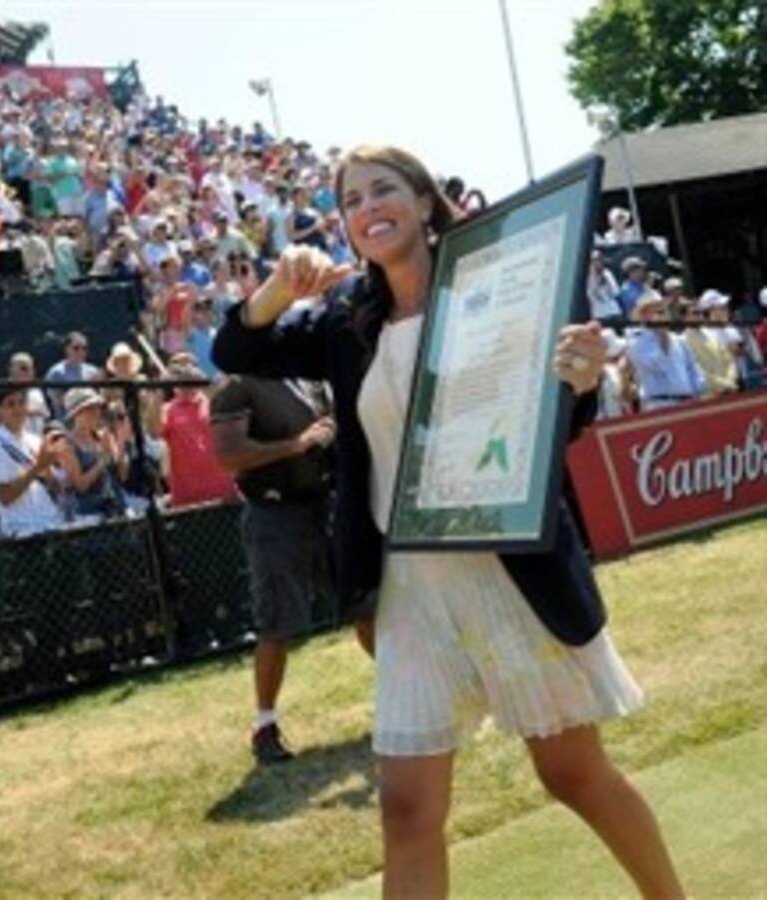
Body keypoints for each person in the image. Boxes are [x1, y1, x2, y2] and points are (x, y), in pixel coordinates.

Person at [213, 144, 683, 899]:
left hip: (508, 573)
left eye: (384, 189)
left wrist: (584, 378)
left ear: (426, 201)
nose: (369, 207)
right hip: (407, 595)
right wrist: (278, 285)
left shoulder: (503, 286)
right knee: (406, 808)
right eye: (352, 200)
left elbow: (555, 420)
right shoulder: (342, 324)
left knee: (573, 774)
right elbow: (235, 345)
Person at [211, 375, 335, 763]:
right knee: (277, 627)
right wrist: (294, 446)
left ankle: (411, 698)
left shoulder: (306, 374)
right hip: (273, 512)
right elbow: (228, 453)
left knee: (367, 604)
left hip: (323, 503)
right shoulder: (237, 383)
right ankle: (265, 725)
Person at [0, 386, 65, 537]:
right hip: (22, 533)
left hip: (51, 524)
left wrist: (48, 470)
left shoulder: (35, 440)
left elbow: (57, 489)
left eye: (21, 403)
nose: (18, 409)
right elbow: (5, 497)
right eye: (10, 404)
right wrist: (37, 468)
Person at [158, 356, 238, 508]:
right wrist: (157, 390)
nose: (185, 373)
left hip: (225, 494)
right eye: (179, 369)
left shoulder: (215, 401)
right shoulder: (166, 410)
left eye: (190, 367)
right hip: (188, 500)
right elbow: (153, 431)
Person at [626, 294, 706, 412]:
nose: (661, 314)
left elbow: (693, 367)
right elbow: (659, 364)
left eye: (663, 310)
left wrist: (697, 392)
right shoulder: (637, 343)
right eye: (656, 310)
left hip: (689, 403)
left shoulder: (679, 339)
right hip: (660, 405)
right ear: (643, 315)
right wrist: (662, 335)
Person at [60, 387, 128, 523]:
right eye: (90, 409)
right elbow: (80, 486)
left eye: (98, 408)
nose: (97, 413)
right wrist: (102, 461)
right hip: (88, 517)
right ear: (77, 414)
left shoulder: (104, 436)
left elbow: (122, 475)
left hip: (116, 509)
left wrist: (121, 443)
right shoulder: (67, 444)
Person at [45, 332, 102, 417]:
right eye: (76, 348)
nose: (81, 352)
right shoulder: (56, 372)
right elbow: (56, 400)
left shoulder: (93, 372)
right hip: (65, 422)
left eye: (84, 348)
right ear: (66, 349)